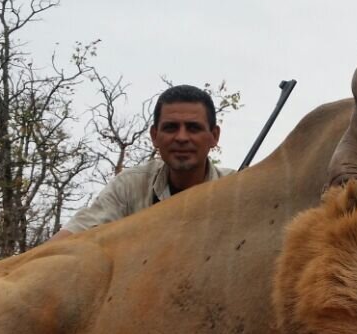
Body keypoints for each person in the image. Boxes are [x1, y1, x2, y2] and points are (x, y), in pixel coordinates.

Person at [51, 85, 232, 240]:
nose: (182, 137)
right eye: (171, 128)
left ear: (214, 136)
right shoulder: (130, 185)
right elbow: (71, 238)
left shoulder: (236, 187)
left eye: (193, 128)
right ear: (155, 136)